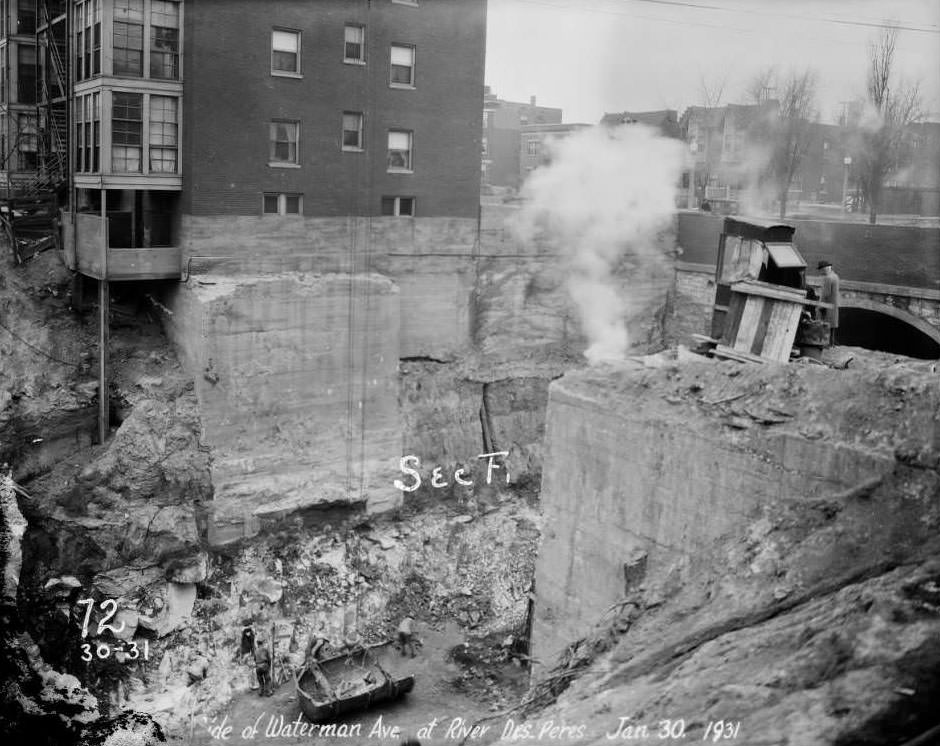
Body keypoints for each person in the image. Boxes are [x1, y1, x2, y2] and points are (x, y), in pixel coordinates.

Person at [817, 260, 840, 346]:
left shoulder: (828, 278)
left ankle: (823, 343)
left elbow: (826, 294)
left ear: (825, 268)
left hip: (827, 305)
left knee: (823, 323)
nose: (821, 271)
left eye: (821, 269)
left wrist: (820, 306)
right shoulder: (835, 276)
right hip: (834, 304)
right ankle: (831, 343)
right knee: (832, 325)